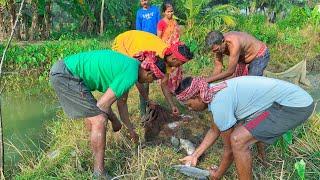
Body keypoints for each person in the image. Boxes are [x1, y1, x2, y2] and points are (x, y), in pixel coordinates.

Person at [49, 50, 166, 179]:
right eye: (152, 79)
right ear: (148, 72)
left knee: (94, 114)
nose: (149, 82)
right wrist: (115, 121)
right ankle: (99, 173)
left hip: (66, 71)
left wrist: (130, 130)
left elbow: (121, 104)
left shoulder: (130, 66)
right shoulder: (130, 73)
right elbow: (102, 105)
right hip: (67, 75)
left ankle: (92, 153)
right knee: (99, 119)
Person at [176, 76, 314, 180]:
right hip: (281, 103)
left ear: (197, 96)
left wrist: (217, 175)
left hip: (293, 106)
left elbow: (229, 150)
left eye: (189, 105)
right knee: (243, 131)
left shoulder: (218, 102)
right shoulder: (211, 90)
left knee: (237, 139)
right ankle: (262, 157)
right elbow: (215, 129)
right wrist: (194, 155)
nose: (190, 109)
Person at [112, 30, 193, 119]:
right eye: (179, 64)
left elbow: (164, 84)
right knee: (126, 83)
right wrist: (148, 99)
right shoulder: (155, 53)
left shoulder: (168, 60)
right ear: (174, 58)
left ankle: (145, 112)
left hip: (137, 45)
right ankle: (130, 118)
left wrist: (172, 105)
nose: (178, 67)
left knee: (145, 81)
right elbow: (138, 78)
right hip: (123, 43)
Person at [205, 31, 270, 83]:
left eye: (217, 50)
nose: (216, 52)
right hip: (243, 59)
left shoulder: (234, 43)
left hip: (259, 55)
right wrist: (208, 82)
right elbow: (218, 67)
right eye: (213, 51)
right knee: (236, 83)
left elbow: (230, 71)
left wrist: (208, 80)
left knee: (251, 83)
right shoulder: (218, 46)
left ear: (223, 41)